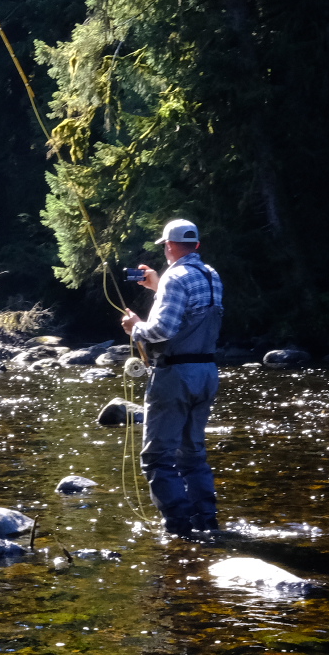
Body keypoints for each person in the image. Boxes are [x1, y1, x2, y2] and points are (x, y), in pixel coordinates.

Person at [119, 218, 224, 537]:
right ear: (197, 245)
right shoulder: (211, 275)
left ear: (168, 246)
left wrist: (135, 327)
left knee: (157, 458)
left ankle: (179, 527)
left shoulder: (175, 278)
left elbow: (162, 330)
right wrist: (157, 284)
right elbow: (190, 309)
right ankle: (206, 521)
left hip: (176, 375)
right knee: (192, 454)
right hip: (206, 372)